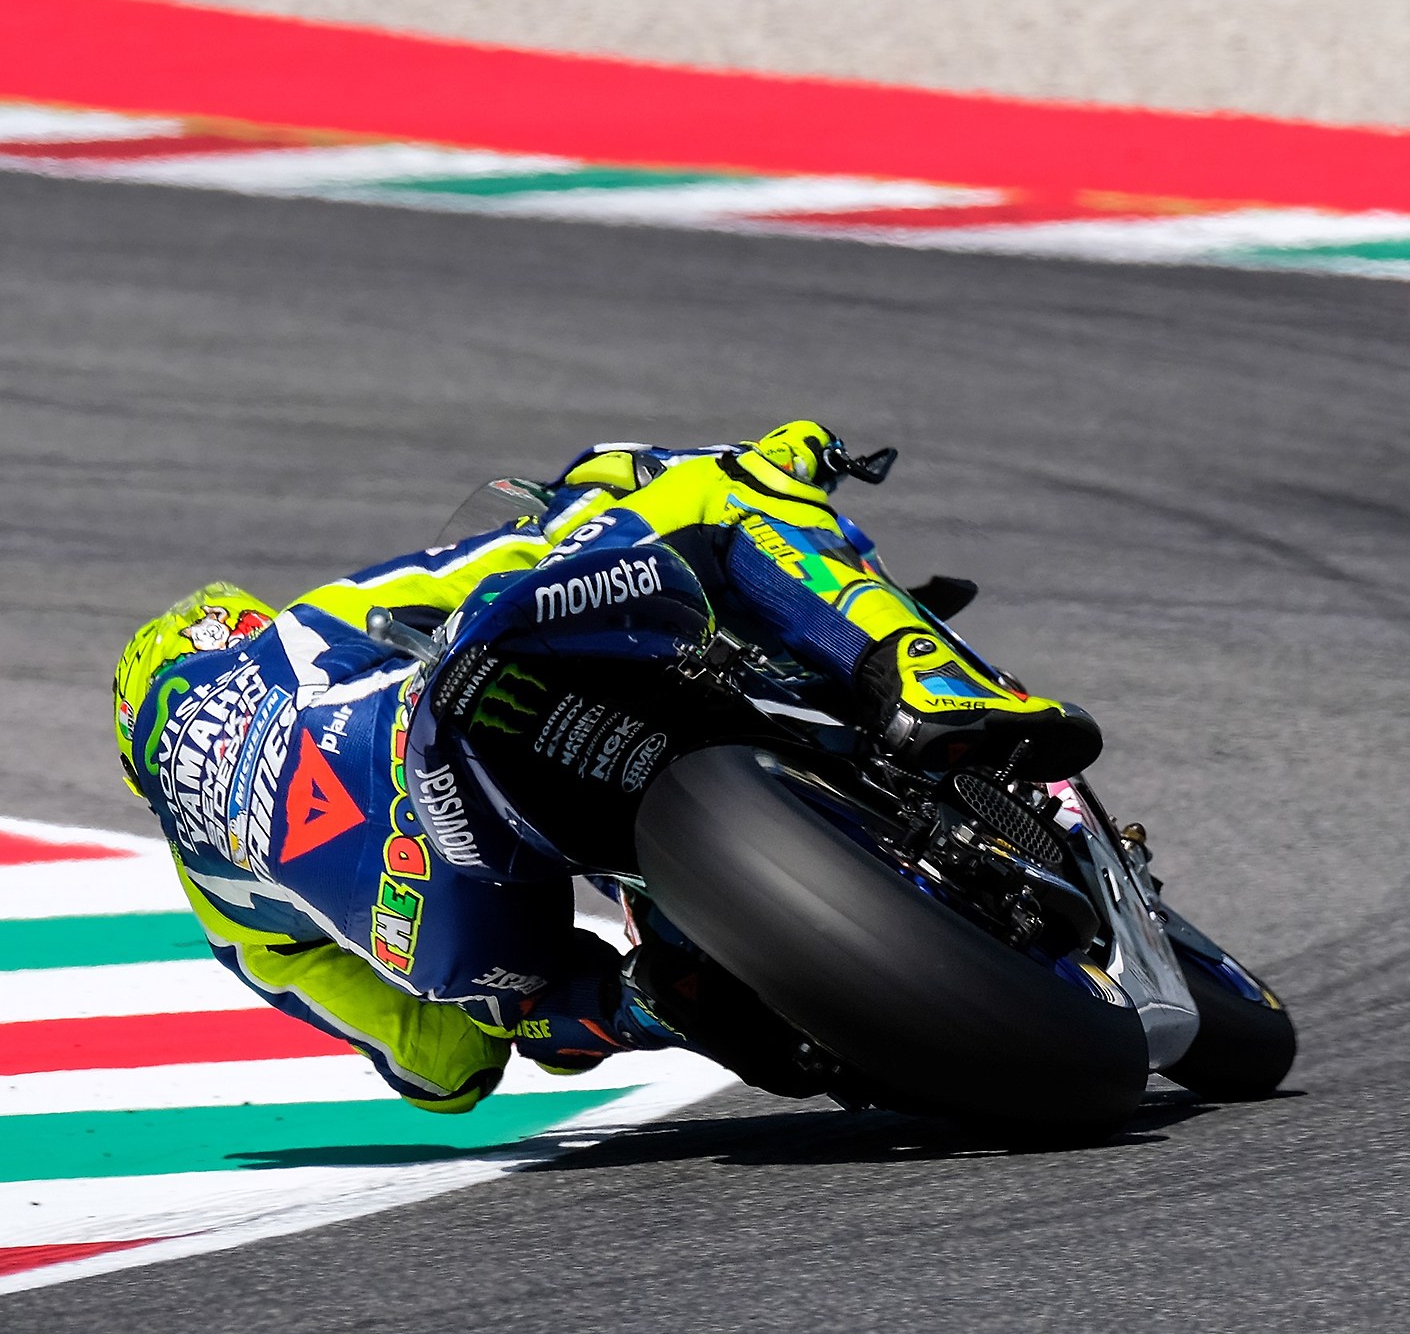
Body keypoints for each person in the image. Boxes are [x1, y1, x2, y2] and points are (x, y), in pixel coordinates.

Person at [110, 421, 1100, 1112]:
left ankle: (653, 1002)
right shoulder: (288, 635)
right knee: (711, 498)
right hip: (431, 726)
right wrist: (613, 490)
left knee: (512, 1008)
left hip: (463, 926)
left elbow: (443, 1073)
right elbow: (488, 564)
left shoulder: (219, 902)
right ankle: (927, 680)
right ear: (221, 631)